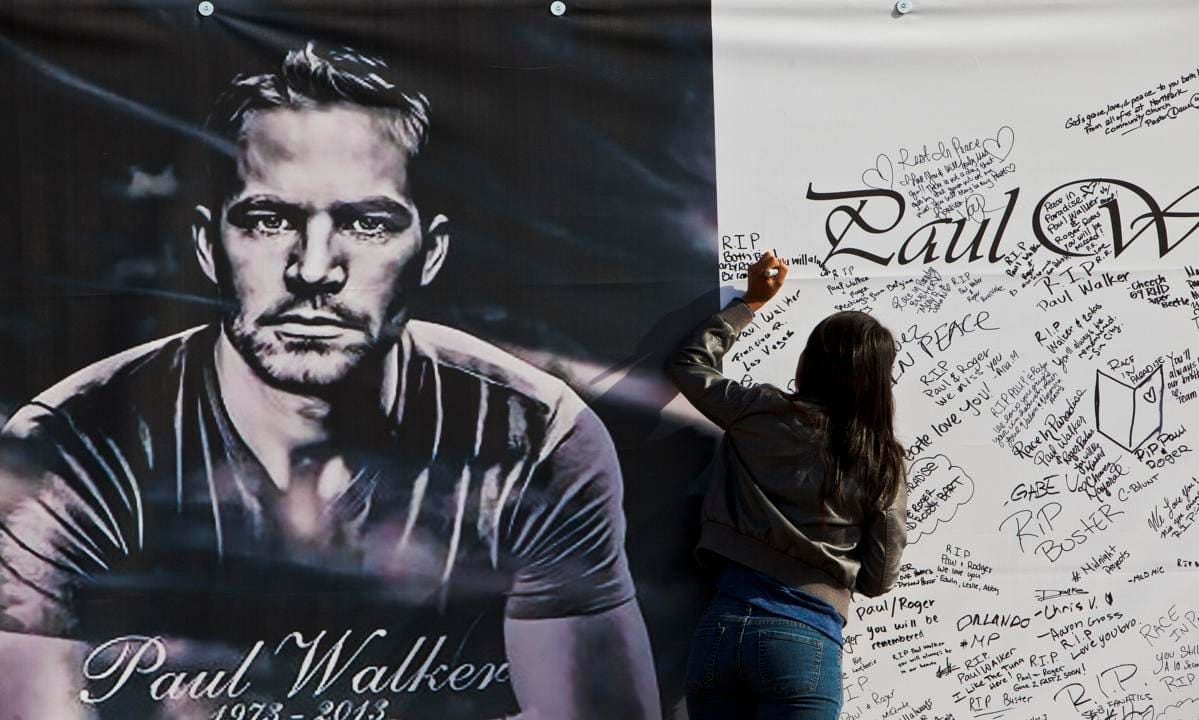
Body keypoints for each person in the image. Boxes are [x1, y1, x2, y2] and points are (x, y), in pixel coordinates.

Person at [0, 41, 659, 720]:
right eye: (267, 219)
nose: (313, 269)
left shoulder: (537, 437)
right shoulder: (69, 444)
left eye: (366, 223)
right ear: (207, 247)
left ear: (429, 254)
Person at [667, 251, 908, 719]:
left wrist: (751, 303)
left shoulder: (761, 411)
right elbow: (880, 579)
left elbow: (690, 365)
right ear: (879, 381)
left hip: (720, 627)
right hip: (803, 640)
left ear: (811, 362)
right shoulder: (881, 461)